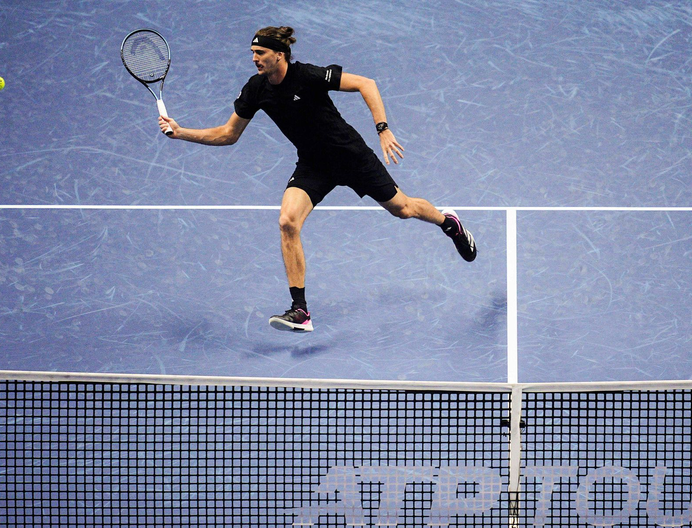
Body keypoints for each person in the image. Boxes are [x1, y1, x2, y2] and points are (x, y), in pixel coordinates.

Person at [159, 26, 477, 332]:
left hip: (351, 157)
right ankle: (300, 311)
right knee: (287, 222)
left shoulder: (308, 76)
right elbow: (228, 134)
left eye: (261, 52)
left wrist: (383, 129)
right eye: (252, 52)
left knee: (403, 208)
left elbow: (366, 84)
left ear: (280, 55)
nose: (254, 58)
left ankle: (448, 223)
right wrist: (181, 131)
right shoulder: (256, 89)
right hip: (313, 165)